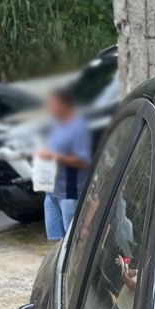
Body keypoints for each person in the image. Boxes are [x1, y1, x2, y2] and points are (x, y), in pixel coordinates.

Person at [37, 87, 92, 240]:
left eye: (50, 104)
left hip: (70, 193)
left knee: (73, 240)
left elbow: (83, 161)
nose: (47, 108)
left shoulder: (78, 127)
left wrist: (53, 156)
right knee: (54, 240)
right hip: (51, 192)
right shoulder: (54, 125)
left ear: (63, 104)